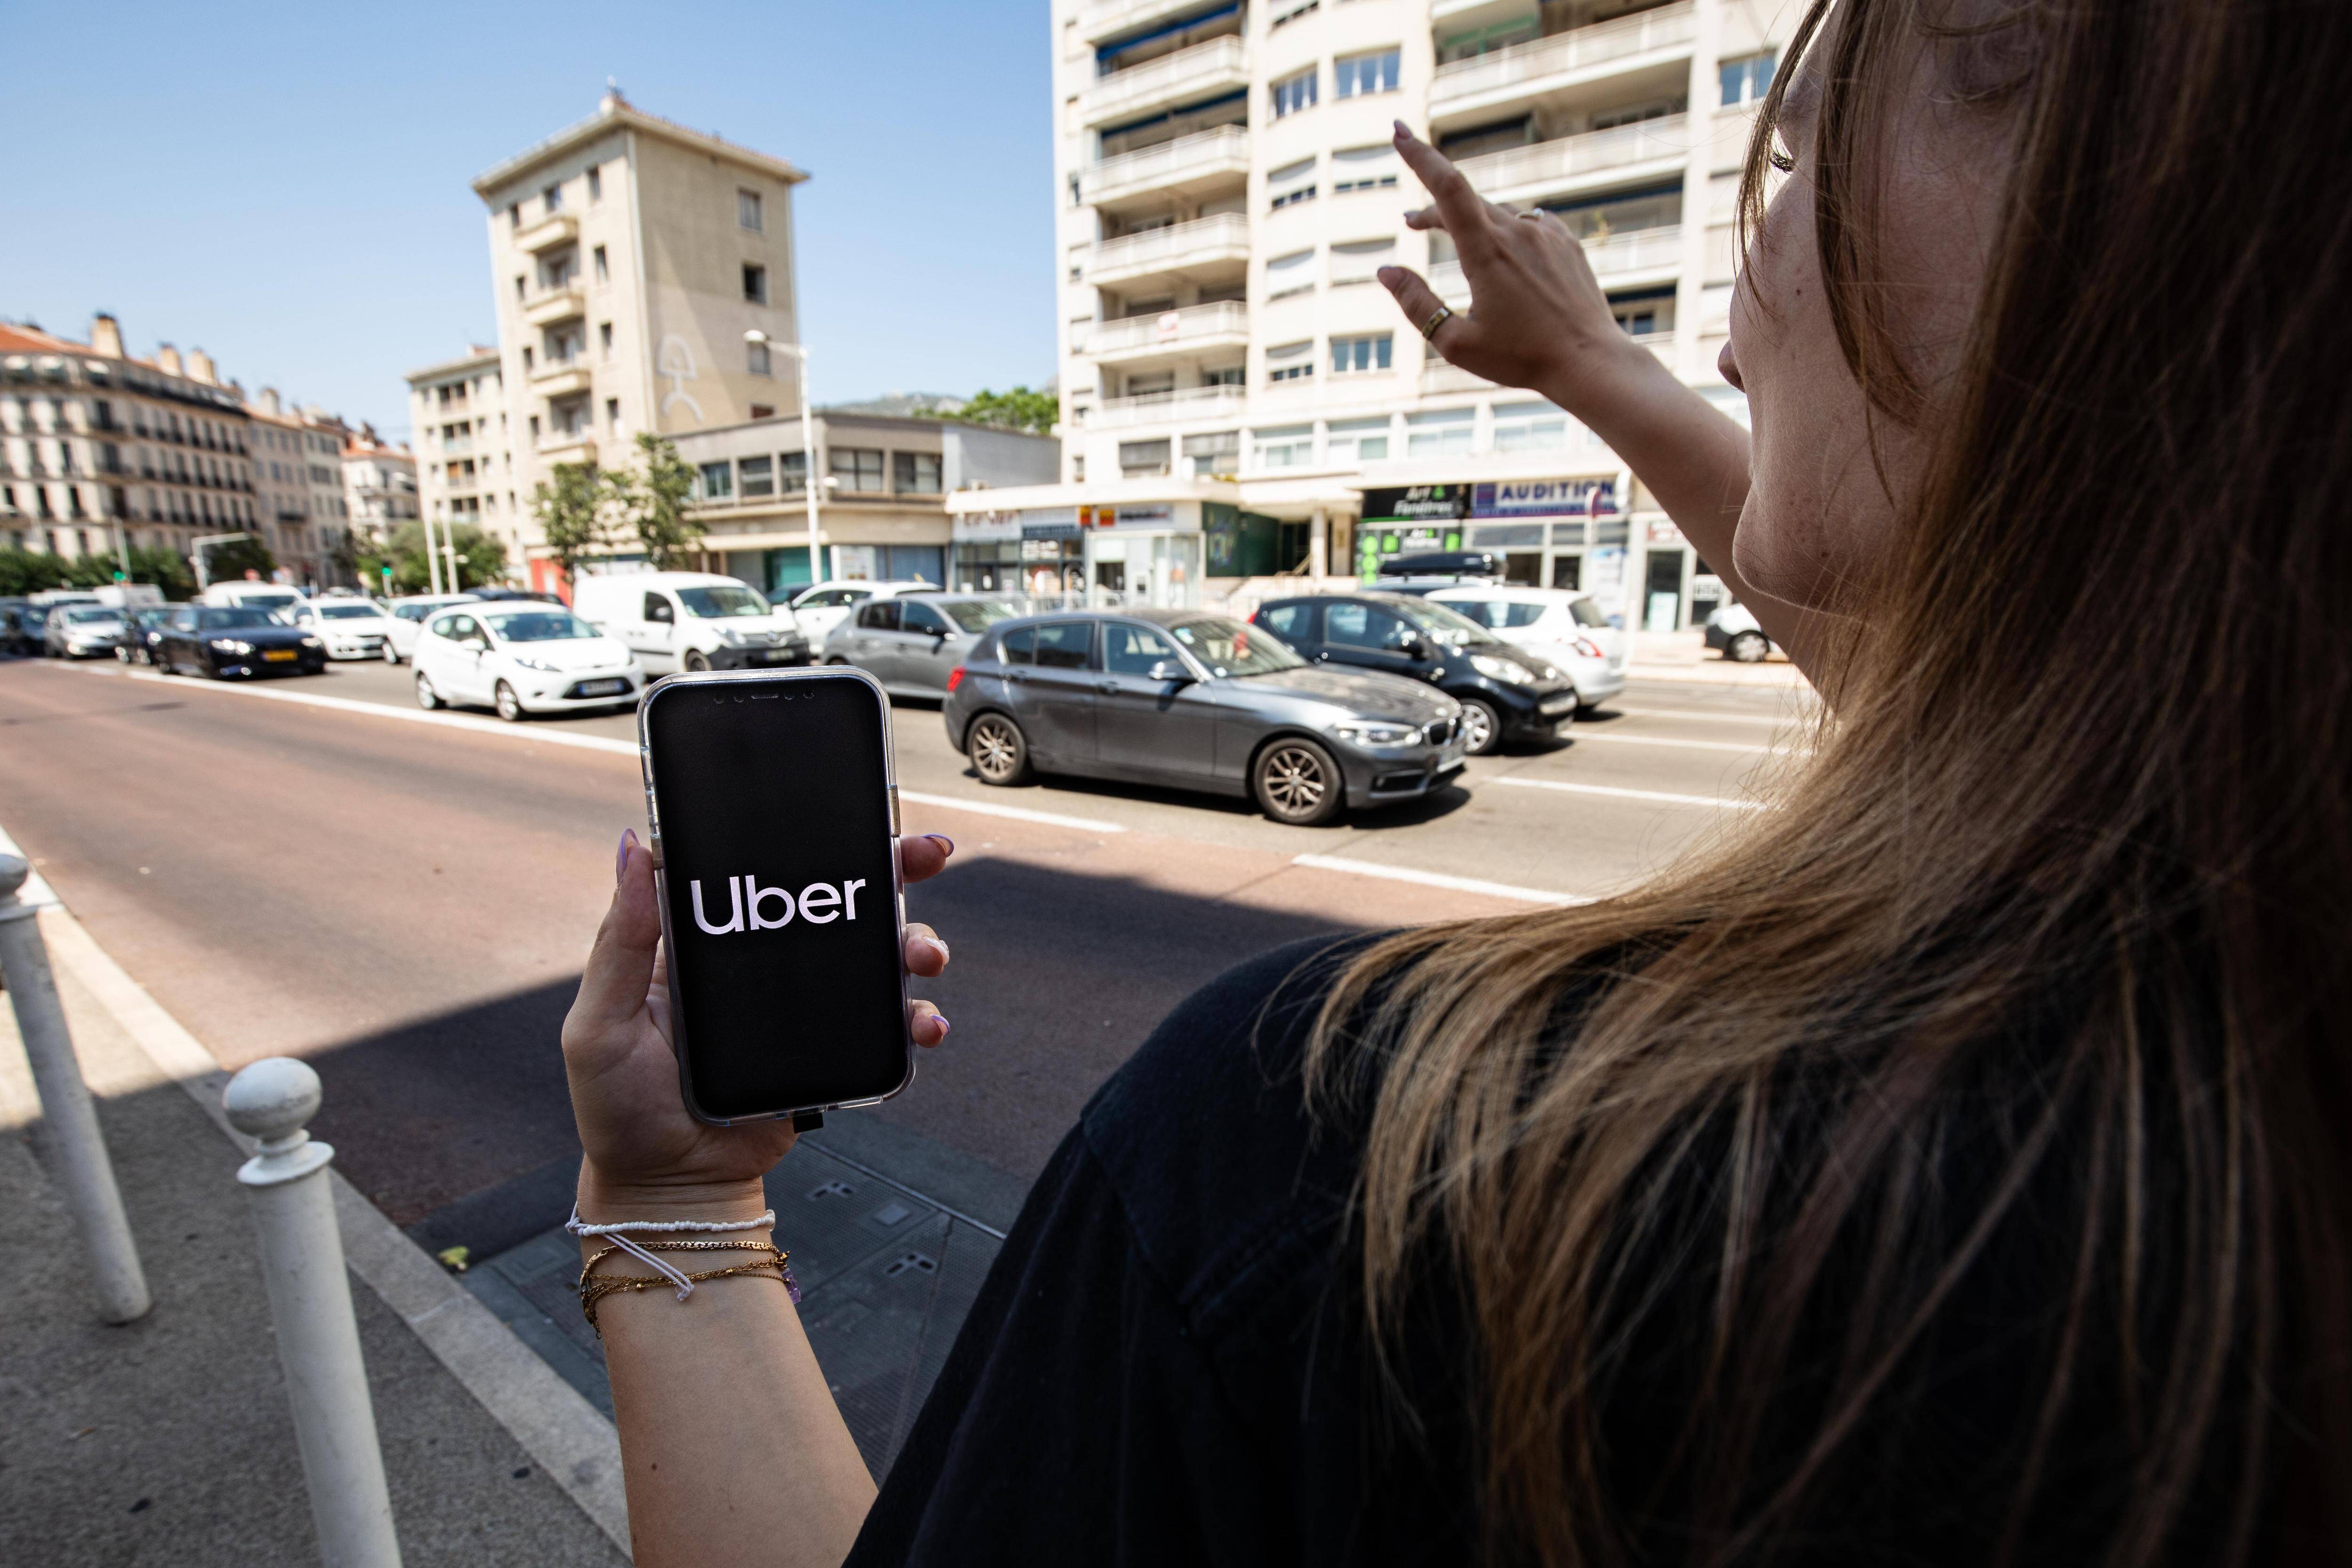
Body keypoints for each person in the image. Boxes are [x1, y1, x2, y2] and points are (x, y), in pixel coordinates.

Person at [559, 1, 2352, 1561]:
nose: (1735, 326)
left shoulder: (1349, 1150)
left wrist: (673, 1203)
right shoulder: (2244, 1000)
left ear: (2119, 212)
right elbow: (2024, 662)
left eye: (1801, 161)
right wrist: (1583, 363)